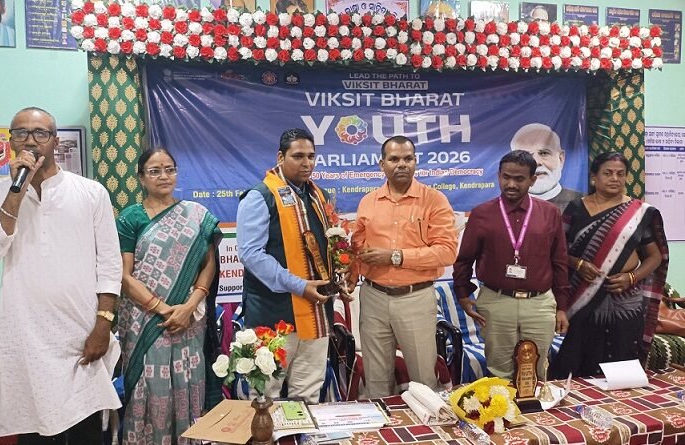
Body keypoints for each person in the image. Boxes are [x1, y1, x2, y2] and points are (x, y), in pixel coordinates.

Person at [0, 107, 122, 443]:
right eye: (21, 133)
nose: (31, 140)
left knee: (85, 432)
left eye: (40, 133)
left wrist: (103, 324)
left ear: (55, 141)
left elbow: (110, 264)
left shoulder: (91, 192)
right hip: (24, 336)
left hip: (81, 334)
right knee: (34, 432)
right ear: (11, 141)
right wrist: (15, 192)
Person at [116, 147, 222, 444]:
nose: (163, 176)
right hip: (146, 322)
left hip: (189, 320)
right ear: (141, 177)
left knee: (190, 381)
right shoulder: (130, 218)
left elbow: (208, 264)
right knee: (150, 388)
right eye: (154, 171)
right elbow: (125, 276)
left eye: (169, 169)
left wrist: (189, 307)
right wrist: (164, 309)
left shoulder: (197, 215)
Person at [237, 128, 348, 404]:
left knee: (308, 395)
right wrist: (299, 286)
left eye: (311, 156)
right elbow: (251, 254)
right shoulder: (260, 196)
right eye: (298, 156)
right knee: (265, 397)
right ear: (280, 157)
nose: (306, 163)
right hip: (273, 316)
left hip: (315, 313)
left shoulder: (320, 197)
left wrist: (339, 280)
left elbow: (329, 248)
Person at [349, 135, 458, 397]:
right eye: (394, 159)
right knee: (376, 379)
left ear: (415, 162)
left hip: (415, 298)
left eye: (408, 158)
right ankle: (382, 423)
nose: (402, 164)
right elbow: (357, 248)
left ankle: (428, 424)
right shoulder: (368, 201)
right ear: (382, 164)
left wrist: (396, 257)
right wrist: (350, 276)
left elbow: (447, 252)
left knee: (423, 380)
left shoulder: (434, 200)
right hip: (373, 297)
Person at [453, 150, 570, 381]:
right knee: (499, 374)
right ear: (498, 176)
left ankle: (535, 406)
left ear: (532, 180)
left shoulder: (549, 213)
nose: (511, 184)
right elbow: (464, 259)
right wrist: (463, 295)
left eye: (519, 179)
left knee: (536, 372)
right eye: (506, 177)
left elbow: (559, 261)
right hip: (496, 302)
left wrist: (562, 307)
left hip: (539, 304)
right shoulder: (482, 214)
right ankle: (502, 406)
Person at [551, 152, 668, 379]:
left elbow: (655, 257)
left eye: (620, 174)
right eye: (608, 173)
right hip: (582, 296)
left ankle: (622, 402)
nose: (615, 178)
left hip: (624, 300)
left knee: (623, 365)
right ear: (594, 177)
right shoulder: (576, 208)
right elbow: (558, 251)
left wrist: (632, 277)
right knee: (578, 363)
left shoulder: (639, 213)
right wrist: (579, 263)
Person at [510, 123, 583, 213]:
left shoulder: (583, 203)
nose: (536, 162)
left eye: (544, 153)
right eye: (526, 156)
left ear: (561, 159)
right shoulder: (501, 206)